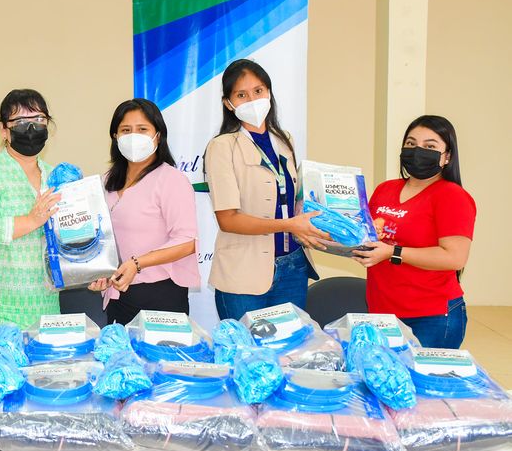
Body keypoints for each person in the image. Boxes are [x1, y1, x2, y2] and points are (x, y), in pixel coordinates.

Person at [203, 59, 326, 322]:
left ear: (269, 93)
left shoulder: (285, 140)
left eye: (258, 91)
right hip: (243, 274)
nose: (252, 100)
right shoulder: (222, 147)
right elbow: (228, 219)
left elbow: (292, 197)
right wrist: (289, 225)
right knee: (244, 347)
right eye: (241, 95)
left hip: (293, 267)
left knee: (289, 346)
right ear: (229, 103)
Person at [353, 115, 476, 349]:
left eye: (430, 146)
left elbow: (455, 257)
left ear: (447, 157)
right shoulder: (385, 189)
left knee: (420, 374)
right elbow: (367, 236)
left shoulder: (452, 196)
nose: (418, 151)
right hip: (382, 311)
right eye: (411, 144)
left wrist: (392, 252)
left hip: (431, 316)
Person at [88, 98, 200, 325]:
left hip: (161, 296)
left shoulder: (171, 180)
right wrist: (97, 272)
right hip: (118, 295)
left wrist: (137, 264)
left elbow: (187, 242)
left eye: (142, 129)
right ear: (115, 137)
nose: (133, 136)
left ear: (158, 135)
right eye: (125, 130)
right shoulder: (106, 181)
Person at [0, 89, 61, 327]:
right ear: (4, 129)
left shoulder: (54, 176)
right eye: (20, 122)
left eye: (39, 119)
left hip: (45, 302)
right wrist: (31, 220)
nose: (31, 128)